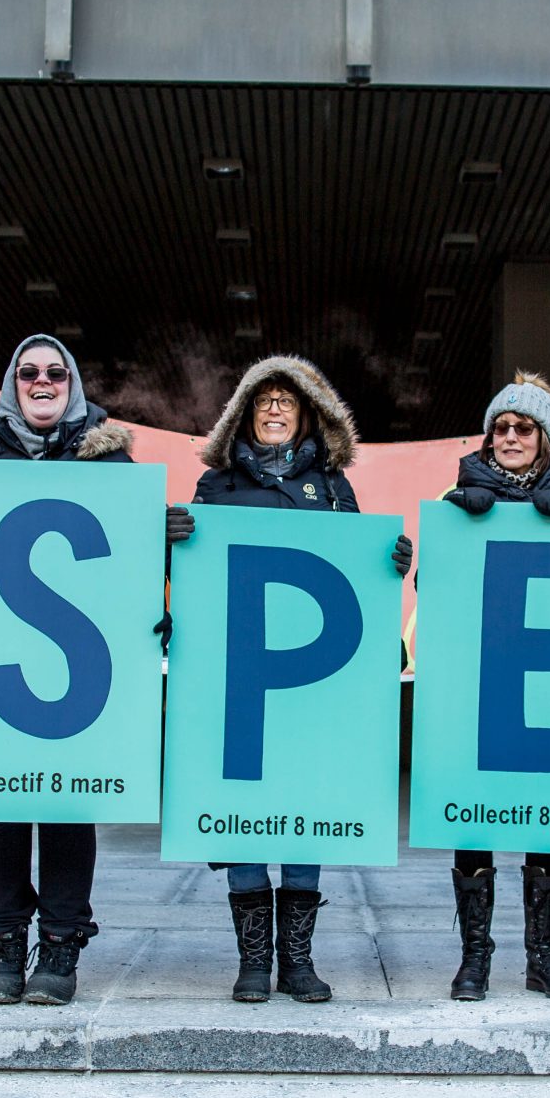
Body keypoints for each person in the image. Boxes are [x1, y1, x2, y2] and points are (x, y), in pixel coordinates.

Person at [173, 356, 413, 1004]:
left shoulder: (334, 487)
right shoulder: (215, 486)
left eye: (286, 399)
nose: (274, 408)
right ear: (244, 415)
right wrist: (175, 542)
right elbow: (195, 585)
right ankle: (254, 962)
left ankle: (298, 963)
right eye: (262, 401)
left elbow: (358, 581)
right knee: (243, 816)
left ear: (307, 413)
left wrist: (389, 566)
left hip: (313, 685)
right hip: (242, 677)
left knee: (306, 807)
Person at [0, 333, 134, 1007]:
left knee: (67, 805)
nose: (43, 381)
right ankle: (2, 944)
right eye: (29, 372)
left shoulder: (109, 463)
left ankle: (59, 944)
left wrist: (162, 564)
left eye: (56, 371)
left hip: (79, 672)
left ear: (73, 383)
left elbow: (130, 569)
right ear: (10, 383)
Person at [440, 371, 550, 1002]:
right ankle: (475, 956)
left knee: (546, 820)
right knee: (475, 818)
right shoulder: (456, 504)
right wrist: (451, 535)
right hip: (481, 682)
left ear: (546, 441)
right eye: (499, 427)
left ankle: (543, 957)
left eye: (522, 427)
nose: (508, 437)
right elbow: (436, 598)